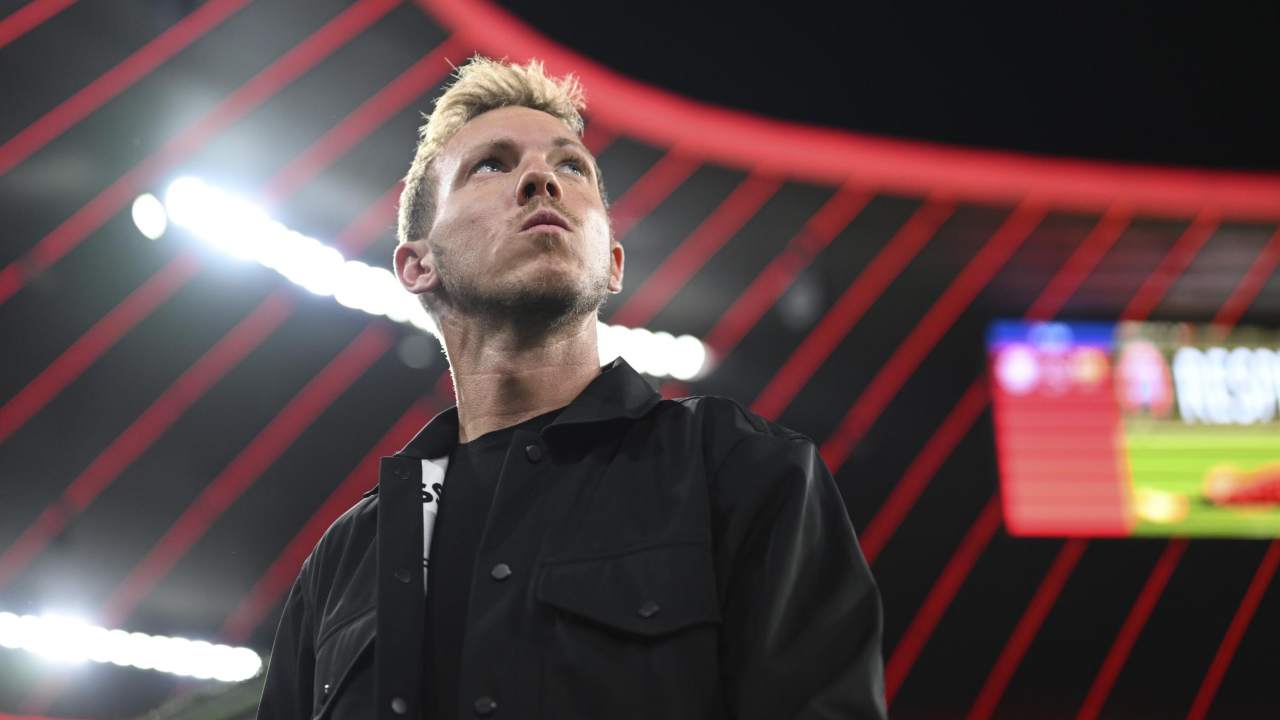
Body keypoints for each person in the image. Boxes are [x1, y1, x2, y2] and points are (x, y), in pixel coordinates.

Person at [256, 56, 886, 720]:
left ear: (612, 264)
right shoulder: (344, 563)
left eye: (572, 167)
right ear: (418, 266)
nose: (541, 180)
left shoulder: (744, 472)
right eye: (491, 165)